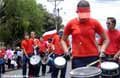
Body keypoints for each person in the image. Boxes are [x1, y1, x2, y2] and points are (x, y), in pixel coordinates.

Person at [61, 0, 109, 69]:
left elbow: (106, 39)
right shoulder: (71, 23)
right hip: (77, 59)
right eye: (82, 14)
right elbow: (63, 40)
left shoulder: (95, 22)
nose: (84, 18)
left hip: (93, 58)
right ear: (77, 12)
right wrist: (66, 51)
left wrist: (102, 50)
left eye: (86, 14)